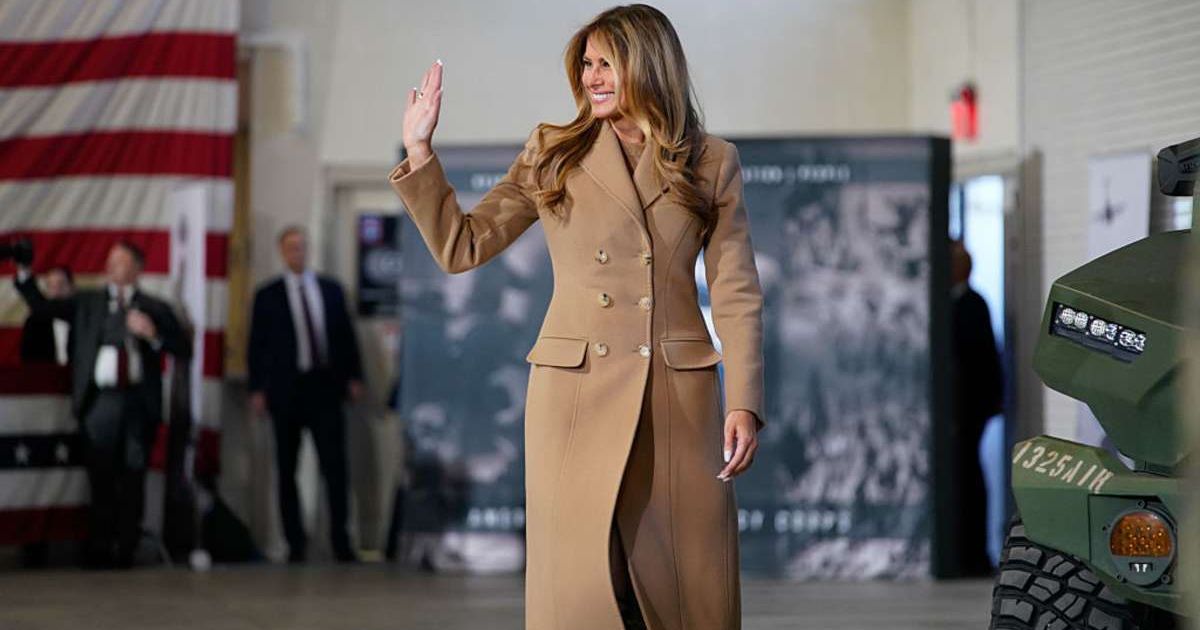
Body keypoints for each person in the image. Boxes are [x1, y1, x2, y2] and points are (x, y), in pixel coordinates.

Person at [389, 5, 764, 628]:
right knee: (584, 591)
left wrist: (744, 401)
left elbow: (737, 291)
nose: (592, 77)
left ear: (647, 65)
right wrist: (419, 149)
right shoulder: (553, 151)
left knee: (685, 586)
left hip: (675, 397)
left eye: (606, 63)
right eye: (586, 64)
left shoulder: (711, 161)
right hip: (575, 395)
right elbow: (464, 245)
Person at [15, 242, 188, 568]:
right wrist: (25, 274)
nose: (112, 267)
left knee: (133, 475)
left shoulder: (154, 306)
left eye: (120, 262)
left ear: (137, 268)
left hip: (138, 403)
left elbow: (182, 347)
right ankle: (99, 547)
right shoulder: (88, 303)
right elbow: (42, 308)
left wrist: (153, 335)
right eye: (109, 261)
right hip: (100, 404)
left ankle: (127, 547)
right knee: (101, 476)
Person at [247, 226, 364, 564]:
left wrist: (354, 378)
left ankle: (342, 542)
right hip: (285, 391)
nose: (297, 252)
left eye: (301, 246)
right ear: (282, 252)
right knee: (287, 469)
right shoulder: (267, 294)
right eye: (291, 248)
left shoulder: (330, 290)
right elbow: (257, 345)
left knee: (335, 468)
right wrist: (257, 388)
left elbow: (346, 338)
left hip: (325, 388)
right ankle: (294, 543)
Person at [949, 240, 1003, 576]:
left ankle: (972, 554)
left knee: (969, 478)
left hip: (968, 411)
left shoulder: (971, 304)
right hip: (967, 410)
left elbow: (980, 363)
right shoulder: (962, 303)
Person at [19, 265, 74, 365]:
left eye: (61, 284)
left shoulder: (83, 318)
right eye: (51, 286)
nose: (56, 290)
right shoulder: (34, 323)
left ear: (71, 287)